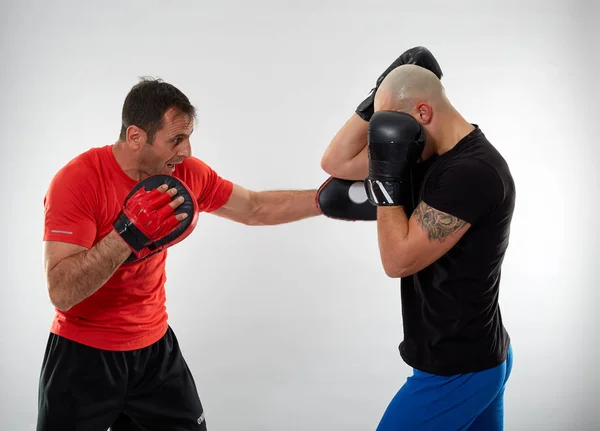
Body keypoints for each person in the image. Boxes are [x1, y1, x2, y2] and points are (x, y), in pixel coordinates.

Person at [37, 77, 322, 431]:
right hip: (83, 356)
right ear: (136, 136)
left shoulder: (184, 173)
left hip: (155, 352)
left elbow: (254, 207)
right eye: (176, 139)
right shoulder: (78, 181)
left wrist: (326, 199)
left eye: (187, 137)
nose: (186, 151)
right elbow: (61, 292)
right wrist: (127, 233)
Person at [322, 63, 516, 429]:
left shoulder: (471, 173)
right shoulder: (429, 152)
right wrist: (380, 94)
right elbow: (335, 162)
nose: (381, 137)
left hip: (457, 370)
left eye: (387, 126)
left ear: (422, 113)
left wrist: (384, 179)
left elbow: (397, 260)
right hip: (477, 355)